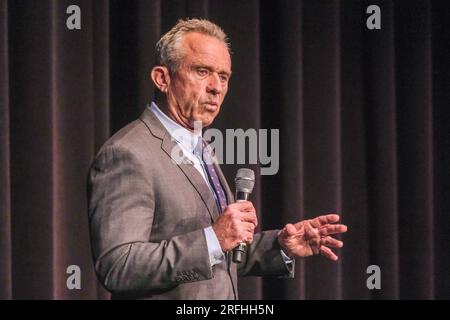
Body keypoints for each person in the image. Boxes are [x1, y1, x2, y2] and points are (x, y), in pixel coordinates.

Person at [87, 18, 347, 300]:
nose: (216, 87)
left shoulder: (200, 147)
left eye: (223, 76)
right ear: (163, 78)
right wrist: (213, 238)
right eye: (202, 71)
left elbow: (218, 255)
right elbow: (118, 267)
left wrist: (280, 245)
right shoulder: (128, 154)